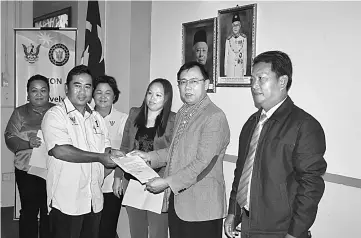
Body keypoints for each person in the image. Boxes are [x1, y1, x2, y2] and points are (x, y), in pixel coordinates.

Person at [224, 51, 327, 238]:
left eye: (261, 78)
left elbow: (310, 188)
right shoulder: (251, 123)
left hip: (280, 230)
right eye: (252, 80)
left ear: (282, 81)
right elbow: (241, 172)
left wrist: (295, 233)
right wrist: (233, 211)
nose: (254, 86)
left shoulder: (305, 126)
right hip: (248, 224)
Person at [133, 61, 230, 238]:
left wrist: (166, 182)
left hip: (202, 208)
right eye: (183, 82)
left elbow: (202, 163)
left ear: (206, 84)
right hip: (178, 203)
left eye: (194, 81)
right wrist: (149, 156)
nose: (187, 87)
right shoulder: (184, 111)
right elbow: (175, 150)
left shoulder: (214, 117)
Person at [41, 65, 118, 238]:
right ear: (66, 88)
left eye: (87, 86)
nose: (82, 91)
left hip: (94, 200)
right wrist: (100, 157)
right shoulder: (55, 115)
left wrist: (116, 156)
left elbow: (105, 149)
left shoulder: (97, 118)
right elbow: (60, 150)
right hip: (66, 201)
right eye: (77, 85)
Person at [113, 78, 175, 238]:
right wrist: (118, 177)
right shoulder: (134, 114)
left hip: (158, 182)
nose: (152, 98)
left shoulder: (173, 120)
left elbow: (174, 152)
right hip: (133, 181)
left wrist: (168, 184)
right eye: (150, 93)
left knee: (157, 232)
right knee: (137, 231)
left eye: (158, 95)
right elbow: (125, 147)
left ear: (167, 98)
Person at [4, 74, 54, 238]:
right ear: (28, 93)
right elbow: (9, 136)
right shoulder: (20, 113)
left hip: (52, 169)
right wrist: (27, 143)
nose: (39, 94)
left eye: (43, 90)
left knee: (50, 209)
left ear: (49, 92)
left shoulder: (58, 111)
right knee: (29, 209)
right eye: (34, 91)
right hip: (26, 169)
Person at [93, 75, 128, 238]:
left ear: (115, 96)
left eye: (108, 93)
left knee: (107, 226)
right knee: (89, 227)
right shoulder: (84, 117)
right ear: (92, 94)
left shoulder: (123, 119)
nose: (103, 96)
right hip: (88, 181)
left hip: (112, 183)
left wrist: (118, 179)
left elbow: (125, 150)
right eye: (98, 92)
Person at [224, 12, 247, 78]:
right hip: (230, 71)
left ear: (240, 26)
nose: (235, 27)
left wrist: (244, 72)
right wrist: (225, 71)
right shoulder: (228, 39)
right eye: (234, 25)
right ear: (232, 26)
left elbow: (244, 55)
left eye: (237, 25)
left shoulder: (243, 38)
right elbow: (226, 56)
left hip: (239, 70)